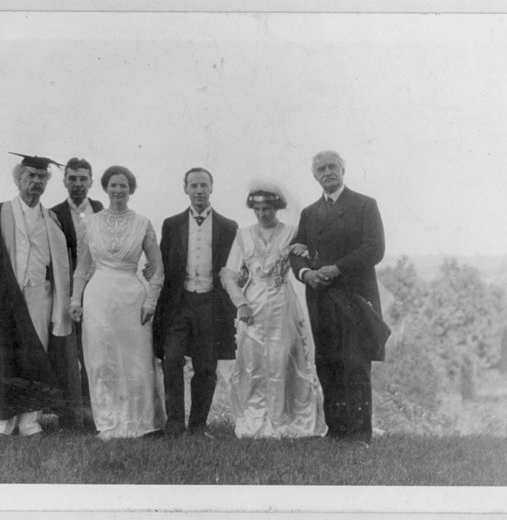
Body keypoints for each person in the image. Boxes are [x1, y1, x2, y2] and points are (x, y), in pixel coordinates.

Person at [0, 152, 72, 437]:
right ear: (18, 179)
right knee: (4, 358)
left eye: (42, 177)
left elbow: (60, 262)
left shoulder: (51, 219)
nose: (36, 181)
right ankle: (2, 422)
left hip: (40, 297)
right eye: (30, 176)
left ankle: (29, 421)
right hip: (4, 298)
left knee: (35, 357)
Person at [290, 150, 385, 446]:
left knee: (355, 363)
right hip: (320, 298)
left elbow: (375, 248)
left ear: (343, 169)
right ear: (314, 175)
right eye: (321, 169)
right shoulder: (309, 213)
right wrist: (306, 273)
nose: (327, 172)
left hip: (354, 297)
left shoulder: (364, 205)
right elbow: (295, 250)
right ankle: (336, 430)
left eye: (332, 167)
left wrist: (337, 267)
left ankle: (359, 434)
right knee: (327, 361)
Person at [220, 181, 328, 439]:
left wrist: (306, 250)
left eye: (267, 208)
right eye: (257, 208)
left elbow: (309, 254)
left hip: (282, 302)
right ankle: (255, 417)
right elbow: (229, 273)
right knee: (253, 361)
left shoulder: (292, 232)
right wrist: (241, 303)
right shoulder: (243, 234)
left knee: (284, 358)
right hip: (252, 303)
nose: (262, 213)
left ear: (276, 207)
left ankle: (284, 418)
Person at [69, 165, 166, 439]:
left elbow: (158, 268)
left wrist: (151, 302)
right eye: (113, 185)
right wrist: (76, 299)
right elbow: (82, 268)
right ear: (105, 188)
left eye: (124, 185)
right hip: (98, 296)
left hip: (131, 298)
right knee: (102, 360)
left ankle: (139, 422)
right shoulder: (89, 223)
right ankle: (108, 422)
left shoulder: (143, 223)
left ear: (131, 189)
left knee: (135, 360)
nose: (118, 190)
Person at [153, 167, 238, 438]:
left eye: (204, 185)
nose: (199, 190)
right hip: (180, 303)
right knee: (172, 360)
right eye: (194, 185)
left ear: (212, 188)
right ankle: (175, 423)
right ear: (185, 189)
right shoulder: (172, 223)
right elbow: (164, 264)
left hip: (211, 305)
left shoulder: (228, 226)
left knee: (205, 366)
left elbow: (232, 266)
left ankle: (199, 425)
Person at [50, 157, 104, 430]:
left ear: (91, 182)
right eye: (72, 178)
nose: (78, 184)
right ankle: (69, 418)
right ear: (64, 182)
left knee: (94, 354)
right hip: (65, 294)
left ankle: (95, 414)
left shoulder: (102, 210)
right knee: (67, 357)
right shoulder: (53, 214)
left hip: (97, 294)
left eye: (83, 179)